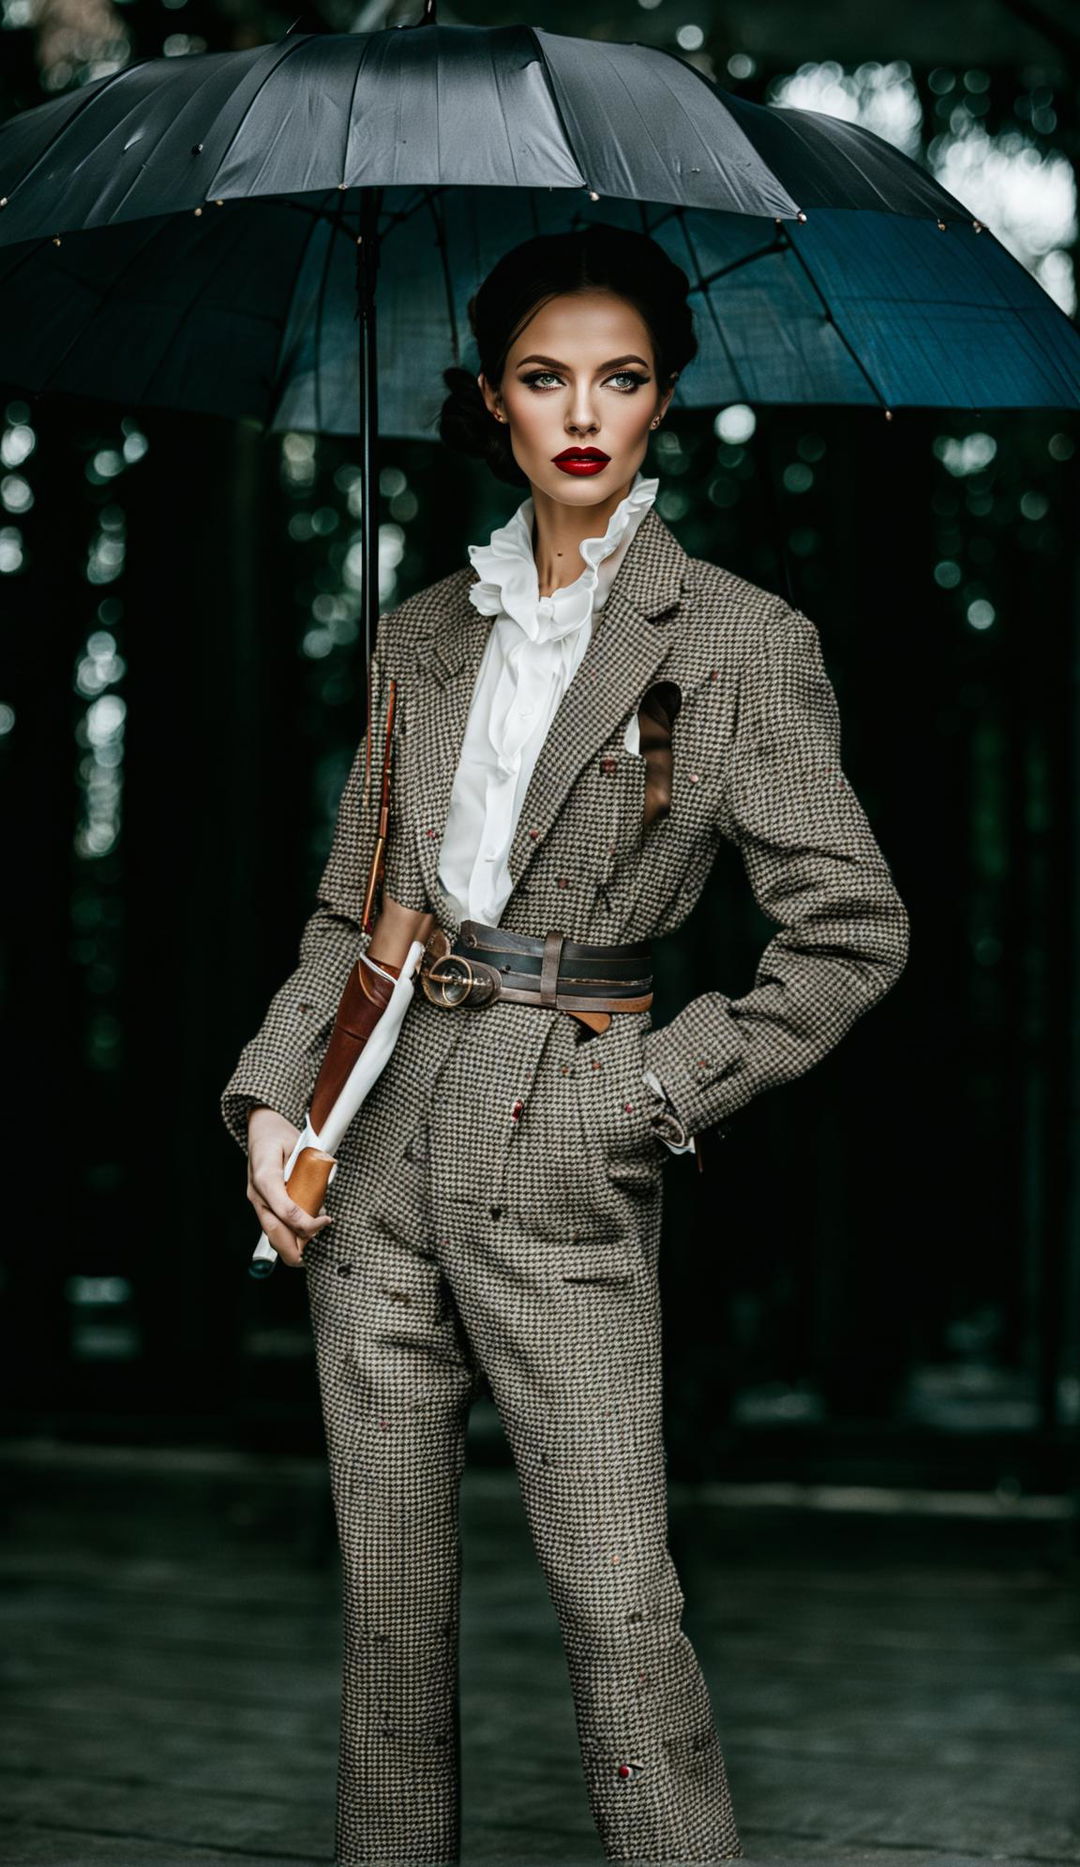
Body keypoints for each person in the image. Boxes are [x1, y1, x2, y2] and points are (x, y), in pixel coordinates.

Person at [221, 223, 910, 1867]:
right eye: (546, 378)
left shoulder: (736, 638)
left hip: (572, 1125)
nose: (582, 411)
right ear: (491, 400)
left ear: (664, 400)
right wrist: (267, 1104)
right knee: (389, 1628)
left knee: (619, 1607)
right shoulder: (422, 640)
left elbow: (852, 929)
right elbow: (349, 913)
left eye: (620, 378)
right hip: (372, 1142)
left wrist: (656, 1088)